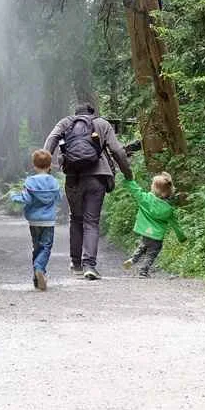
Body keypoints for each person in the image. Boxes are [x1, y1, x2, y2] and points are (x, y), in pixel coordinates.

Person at [44, 103, 132, 280]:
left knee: (76, 219)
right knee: (91, 221)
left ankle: (76, 263)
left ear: (76, 114)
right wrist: (128, 173)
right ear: (93, 113)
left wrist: (44, 167)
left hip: (73, 176)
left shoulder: (66, 122)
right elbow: (117, 151)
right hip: (97, 177)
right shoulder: (102, 124)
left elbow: (50, 140)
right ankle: (89, 266)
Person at [10, 149, 62, 291]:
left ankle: (36, 278)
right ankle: (39, 269)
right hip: (48, 221)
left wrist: (14, 196)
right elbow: (59, 198)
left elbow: (26, 199)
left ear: (34, 165)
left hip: (34, 221)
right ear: (50, 165)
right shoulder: (54, 182)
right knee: (46, 247)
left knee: (37, 247)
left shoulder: (30, 182)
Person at [122, 172, 186, 277]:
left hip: (145, 232)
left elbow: (136, 190)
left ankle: (133, 259)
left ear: (154, 188)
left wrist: (129, 181)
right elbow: (175, 225)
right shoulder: (168, 210)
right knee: (152, 253)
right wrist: (181, 237)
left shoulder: (145, 199)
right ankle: (143, 271)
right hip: (157, 236)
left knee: (143, 245)